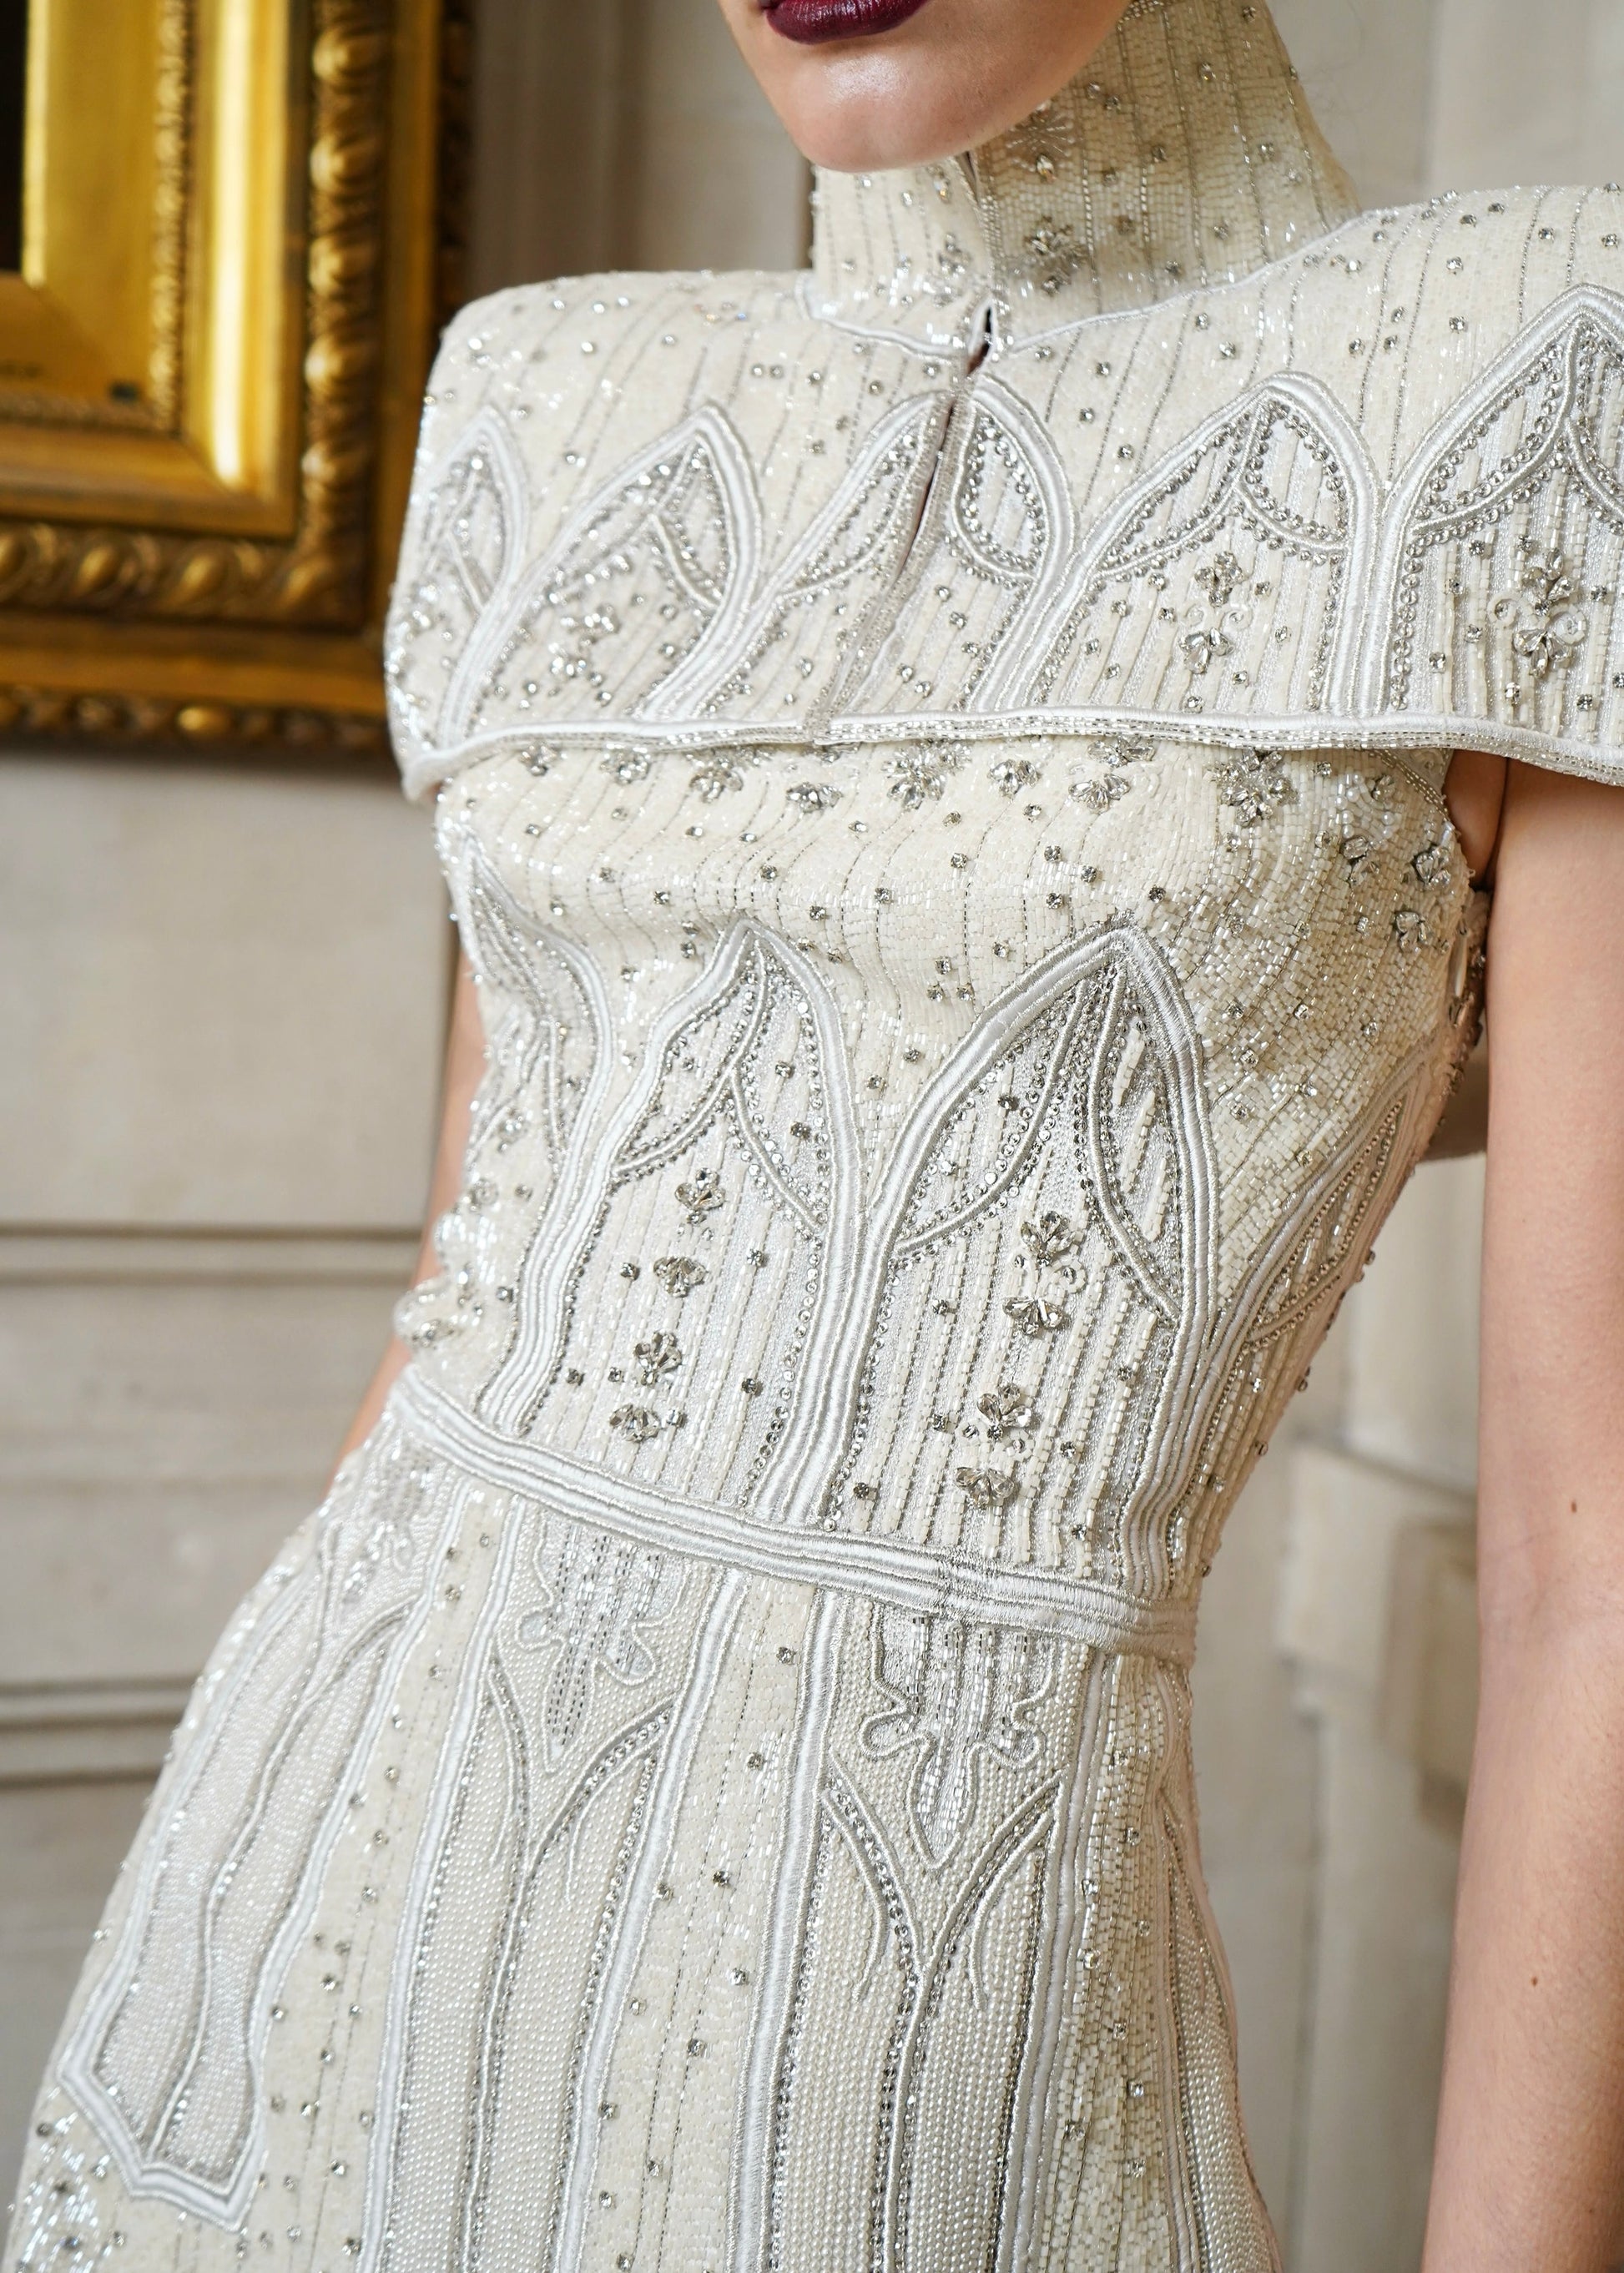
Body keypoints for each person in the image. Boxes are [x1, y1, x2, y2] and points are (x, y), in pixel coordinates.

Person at [8, 0, 1624, 2264]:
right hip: (290, 1936)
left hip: (914, 2045)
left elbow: (1588, 1578)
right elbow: (463, 1294)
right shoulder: (545, 401)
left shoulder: (1537, 364)